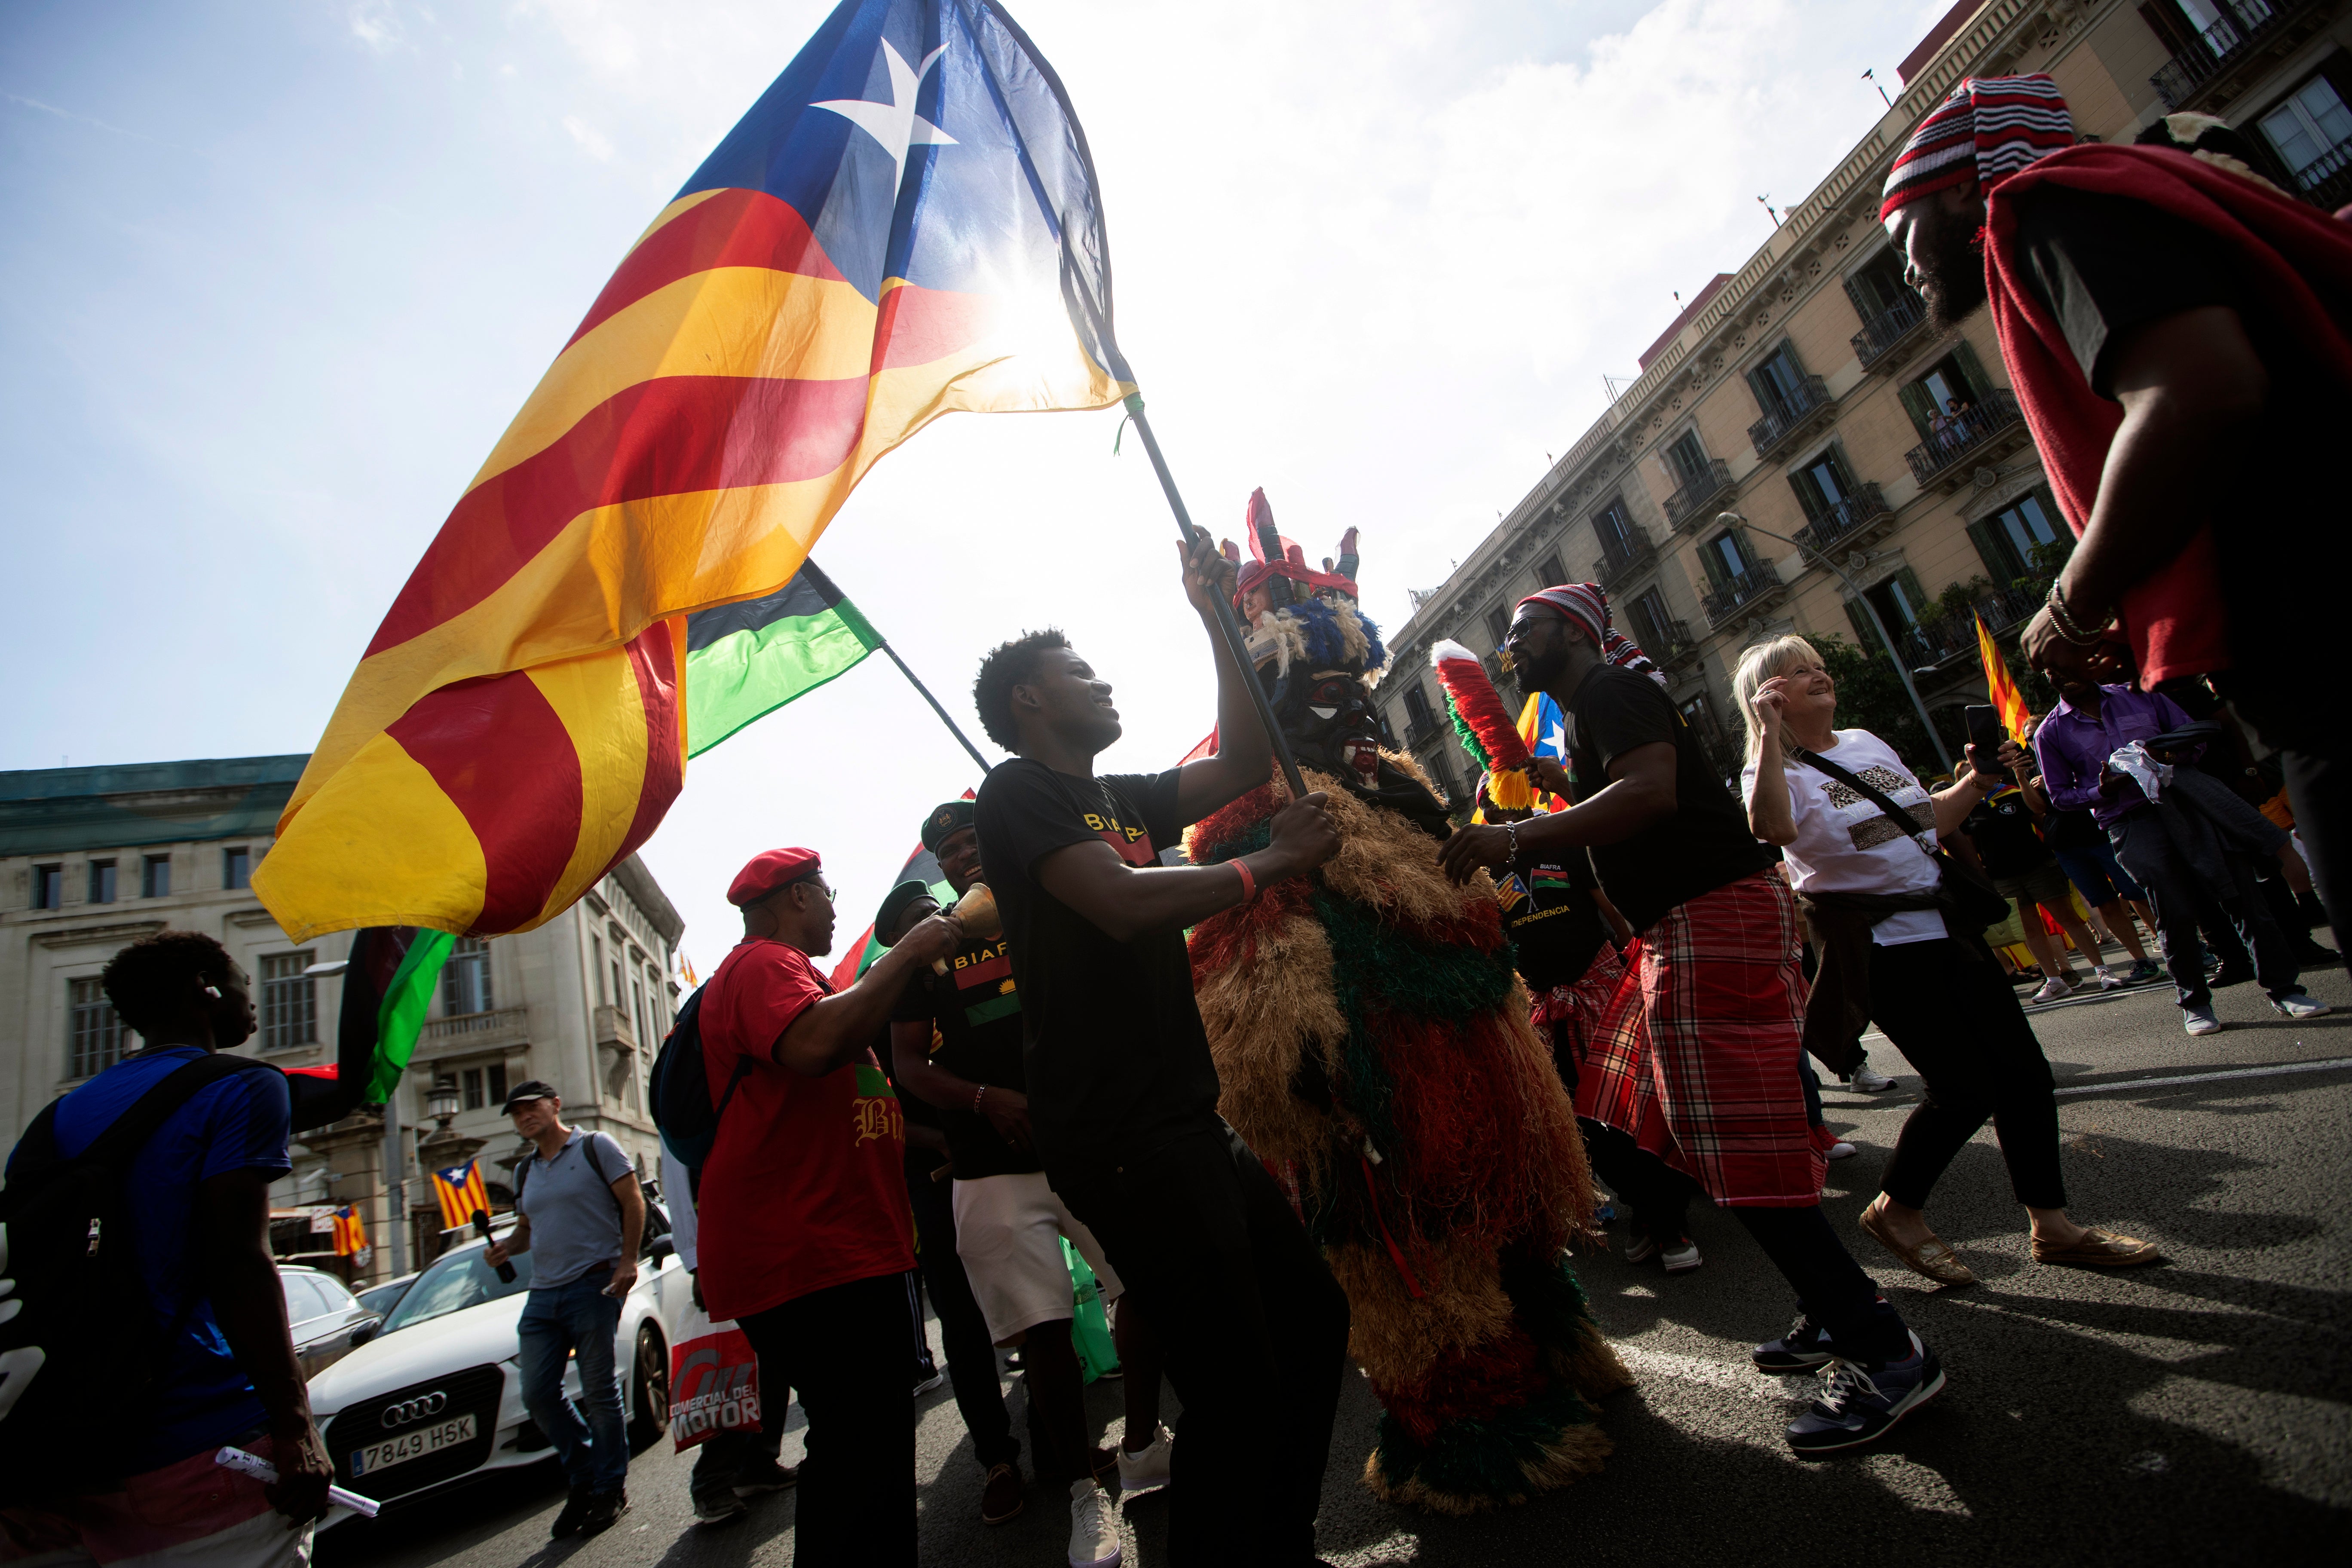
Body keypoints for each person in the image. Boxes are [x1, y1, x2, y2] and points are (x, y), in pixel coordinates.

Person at [1442, 584, 1943, 1455]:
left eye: (1525, 631)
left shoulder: (1607, 690)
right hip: (1689, 925)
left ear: (1575, 631)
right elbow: (1631, 793)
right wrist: (1569, 784)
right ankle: (1829, 1309)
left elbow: (1651, 796)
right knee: (1688, 1128)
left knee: (1736, 1144)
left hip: (1710, 918)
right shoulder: (1599, 706)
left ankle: (1885, 1354)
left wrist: (1517, 840)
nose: (1510, 648)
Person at [1880, 73, 2352, 941]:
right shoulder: (2111, 201)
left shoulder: (2044, 204)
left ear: (1958, 188)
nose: (1905, 268)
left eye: (1902, 230)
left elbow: (2198, 392)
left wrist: (2076, 598)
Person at [970, 531, 1350, 1565]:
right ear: (1029, 704)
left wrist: (1214, 616)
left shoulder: (1120, 794)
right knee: (1234, 1382)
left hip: (1185, 1118)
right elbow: (1116, 901)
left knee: (1310, 1326)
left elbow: (1237, 761)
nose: (1101, 682)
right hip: (1119, 1133)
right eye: (1078, 673)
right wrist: (1269, 861)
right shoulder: (1014, 792)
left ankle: (1277, 1541)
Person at [1735, 637, 2159, 1286]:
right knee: (1963, 1090)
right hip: (1879, 949)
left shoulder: (1865, 742)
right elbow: (1773, 831)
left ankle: (2053, 1226)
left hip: (1944, 925)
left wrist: (1978, 782)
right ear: (1769, 697)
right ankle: (1895, 1210)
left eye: (1821, 664)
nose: (1820, 674)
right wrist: (1766, 736)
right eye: (1799, 672)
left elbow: (1925, 821)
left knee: (2024, 1075)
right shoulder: (1773, 770)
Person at [0, 932, 331, 1565]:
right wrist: (295, 1427)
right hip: (193, 1440)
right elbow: (239, 1261)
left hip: (60, 1455)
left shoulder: (55, 1119)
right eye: (240, 982)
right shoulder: (245, 1086)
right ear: (206, 990)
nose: (250, 998)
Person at [889, 806, 1160, 1562]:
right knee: (1041, 1329)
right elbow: (909, 1065)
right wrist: (986, 1100)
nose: (964, 856)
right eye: (949, 852)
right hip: (989, 1167)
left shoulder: (1059, 896)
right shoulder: (929, 947)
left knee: (1140, 1285)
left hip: (1089, 1143)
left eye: (975, 839)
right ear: (939, 870)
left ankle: (1142, 1442)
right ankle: (1081, 1493)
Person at [689, 846, 962, 1568]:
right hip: (809, 1251)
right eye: (828, 892)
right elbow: (812, 1045)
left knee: (864, 1445)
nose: (837, 908)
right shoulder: (761, 965)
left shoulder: (798, 974)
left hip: (837, 1248)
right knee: (856, 1451)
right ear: (798, 896)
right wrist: (905, 951)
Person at [2030, 664, 2328, 1034]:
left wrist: (2170, 756)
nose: (2059, 675)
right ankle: (2195, 1003)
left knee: (2243, 898)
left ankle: (2286, 990)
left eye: (2063, 665)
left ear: (2086, 662)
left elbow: (2195, 737)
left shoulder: (2138, 694)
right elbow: (2060, 796)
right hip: (2131, 820)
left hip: (2192, 804)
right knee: (2172, 912)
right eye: (2047, 672)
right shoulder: (2051, 731)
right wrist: (2102, 790)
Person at [1491, 793, 1706, 1273]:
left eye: (1512, 804)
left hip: (1603, 986)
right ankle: (1649, 1210)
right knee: (1584, 1120)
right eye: (1497, 809)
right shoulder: (1485, 872)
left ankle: (1666, 1221)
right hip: (1547, 1008)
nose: (1507, 815)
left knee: (1637, 1102)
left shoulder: (1564, 843)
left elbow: (1608, 908)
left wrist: (1640, 959)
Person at [482, 1081, 646, 1538]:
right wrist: (506, 1250)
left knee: (598, 1391)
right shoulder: (524, 1171)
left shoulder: (596, 1146)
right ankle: (587, 1473)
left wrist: (628, 1259)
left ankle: (609, 1488)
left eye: (531, 1108)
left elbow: (632, 1201)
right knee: (536, 1393)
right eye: (516, 1114)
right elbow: (526, 1232)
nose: (524, 1118)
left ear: (555, 1105)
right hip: (543, 1294)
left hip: (593, 1284)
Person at [656, 1145, 798, 1528]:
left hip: (765, 1235)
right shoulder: (692, 1093)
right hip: (725, 1244)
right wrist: (696, 1261)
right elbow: (678, 1180)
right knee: (733, 1370)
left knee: (772, 1361)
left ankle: (758, 1464)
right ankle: (712, 1482)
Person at [1948, 757, 2121, 1001]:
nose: (1976, 777)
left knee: (2068, 919)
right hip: (2002, 877)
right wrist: (1982, 878)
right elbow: (1968, 846)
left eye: (1977, 771)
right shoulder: (1966, 809)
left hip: (2039, 868)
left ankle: (2102, 970)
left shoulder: (2013, 794)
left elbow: (2043, 821)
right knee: (2030, 930)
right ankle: (2055, 980)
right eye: (1968, 775)